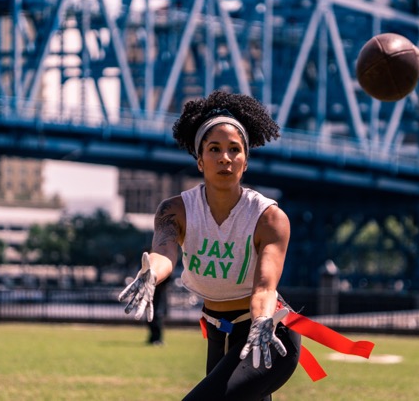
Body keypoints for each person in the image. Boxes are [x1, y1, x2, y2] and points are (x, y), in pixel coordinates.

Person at [119, 90, 301, 401]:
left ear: (245, 161)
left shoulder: (268, 217)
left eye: (234, 150)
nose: (225, 158)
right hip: (220, 333)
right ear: (200, 160)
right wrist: (151, 274)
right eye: (214, 149)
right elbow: (165, 254)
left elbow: (264, 288)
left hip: (265, 332)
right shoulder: (175, 210)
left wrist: (260, 321)